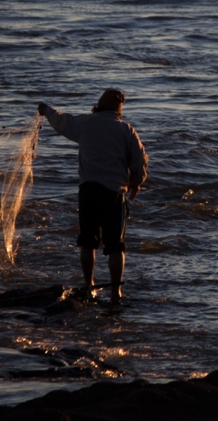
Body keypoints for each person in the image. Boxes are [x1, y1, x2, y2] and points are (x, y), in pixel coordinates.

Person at [37, 89, 148, 304]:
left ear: (98, 106)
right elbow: (140, 160)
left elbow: (62, 122)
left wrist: (45, 109)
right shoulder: (126, 130)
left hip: (88, 190)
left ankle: (90, 287)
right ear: (119, 110)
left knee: (88, 242)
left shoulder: (85, 123)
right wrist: (137, 181)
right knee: (115, 245)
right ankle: (116, 293)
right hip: (114, 192)